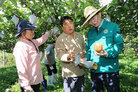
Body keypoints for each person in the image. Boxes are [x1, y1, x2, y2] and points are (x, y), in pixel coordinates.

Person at [83, 5, 124, 92]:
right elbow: (89, 50)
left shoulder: (113, 27)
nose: (93, 21)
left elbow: (119, 45)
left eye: (94, 17)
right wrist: (85, 59)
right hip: (95, 70)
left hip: (110, 70)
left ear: (100, 14)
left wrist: (108, 53)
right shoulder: (90, 32)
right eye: (90, 20)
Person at [13, 20, 52, 92]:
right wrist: (26, 86)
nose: (32, 31)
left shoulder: (31, 42)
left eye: (32, 30)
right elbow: (21, 68)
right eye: (30, 30)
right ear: (22, 33)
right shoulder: (21, 47)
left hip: (35, 80)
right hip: (29, 84)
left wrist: (49, 32)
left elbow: (41, 40)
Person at [55, 16, 86, 92]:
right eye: (66, 24)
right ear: (62, 27)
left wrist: (84, 53)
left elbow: (84, 48)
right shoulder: (60, 39)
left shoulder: (79, 35)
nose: (69, 25)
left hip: (80, 71)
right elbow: (59, 54)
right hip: (69, 73)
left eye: (71, 22)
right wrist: (68, 56)